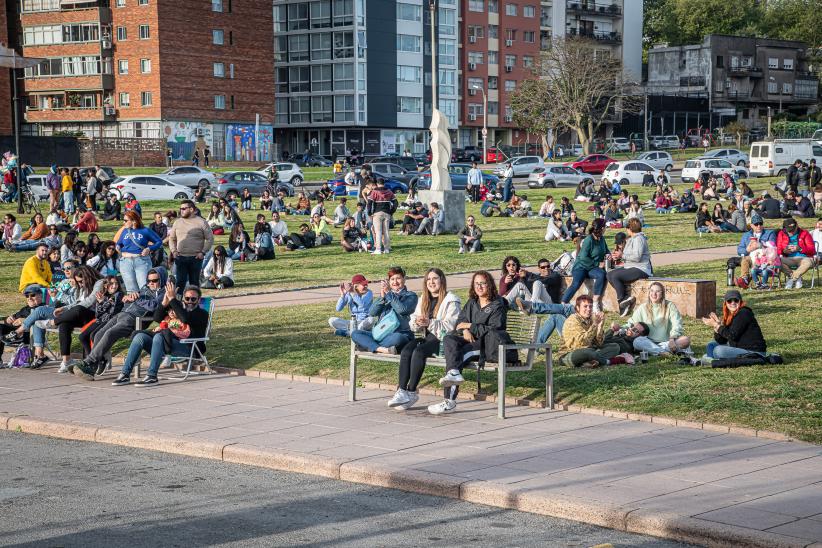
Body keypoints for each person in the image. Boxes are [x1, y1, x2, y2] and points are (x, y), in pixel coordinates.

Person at [429, 270, 508, 415]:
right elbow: (460, 322)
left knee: (456, 358)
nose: (479, 286)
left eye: (482, 283)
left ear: (489, 285)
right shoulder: (472, 302)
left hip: (486, 346)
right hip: (469, 340)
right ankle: (453, 375)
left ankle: (449, 401)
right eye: (476, 283)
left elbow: (493, 329)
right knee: (448, 338)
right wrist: (465, 330)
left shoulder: (498, 305)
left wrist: (469, 326)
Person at [72, 266, 168, 378]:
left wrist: (137, 299)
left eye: (154, 280)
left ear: (161, 279)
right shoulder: (145, 288)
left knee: (110, 333)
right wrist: (128, 298)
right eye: (149, 280)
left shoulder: (163, 292)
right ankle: (92, 367)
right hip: (122, 313)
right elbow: (135, 298)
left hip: (133, 319)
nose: (151, 283)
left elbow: (154, 306)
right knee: (98, 334)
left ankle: (88, 362)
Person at [388, 269, 461, 411]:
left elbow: (450, 327)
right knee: (407, 350)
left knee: (419, 352)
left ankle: (411, 391)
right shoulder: (424, 299)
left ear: (442, 280)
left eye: (435, 279)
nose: (431, 282)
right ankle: (402, 391)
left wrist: (430, 323)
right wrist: (417, 323)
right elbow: (413, 321)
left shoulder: (452, 300)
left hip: (442, 340)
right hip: (426, 337)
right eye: (428, 279)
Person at [110, 282, 209, 386]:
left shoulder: (201, 313)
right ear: (183, 298)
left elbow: (185, 318)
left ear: (198, 300)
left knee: (159, 335)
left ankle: (152, 376)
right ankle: (125, 374)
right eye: (187, 298)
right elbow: (157, 318)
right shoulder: (178, 309)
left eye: (193, 299)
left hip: (189, 347)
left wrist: (172, 299)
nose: (190, 302)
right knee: (140, 336)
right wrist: (164, 303)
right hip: (166, 344)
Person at [351, 266, 418, 354]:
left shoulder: (411, 296)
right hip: (379, 334)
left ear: (404, 279)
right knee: (355, 333)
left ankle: (368, 345)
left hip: (399, 334)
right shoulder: (386, 296)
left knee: (398, 338)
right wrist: (382, 297)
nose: (395, 282)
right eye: (392, 279)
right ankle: (382, 349)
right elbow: (372, 312)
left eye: (398, 278)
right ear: (389, 281)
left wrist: (389, 294)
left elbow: (402, 310)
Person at [556, 295, 624, 368]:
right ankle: (608, 361)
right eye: (585, 306)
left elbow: (598, 343)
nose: (588, 309)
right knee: (589, 352)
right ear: (578, 308)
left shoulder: (590, 319)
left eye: (590, 306)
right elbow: (582, 343)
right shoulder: (573, 320)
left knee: (615, 346)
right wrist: (595, 324)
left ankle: (589, 362)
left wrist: (600, 326)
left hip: (588, 350)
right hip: (569, 354)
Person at [625, 281, 691, 357]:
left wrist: (672, 339)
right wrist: (622, 329)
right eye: (652, 291)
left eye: (657, 291)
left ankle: (658, 351)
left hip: (667, 342)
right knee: (637, 341)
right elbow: (631, 322)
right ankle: (662, 352)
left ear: (662, 293)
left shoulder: (670, 306)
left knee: (685, 340)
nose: (654, 294)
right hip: (648, 342)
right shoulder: (643, 307)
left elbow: (677, 323)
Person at [701, 289, 766, 360]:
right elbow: (722, 341)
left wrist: (716, 325)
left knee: (718, 350)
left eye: (736, 300)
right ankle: (712, 360)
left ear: (740, 302)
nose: (733, 303)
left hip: (753, 351)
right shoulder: (729, 316)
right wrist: (717, 325)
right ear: (725, 303)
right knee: (711, 345)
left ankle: (711, 359)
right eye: (729, 301)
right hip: (738, 347)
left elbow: (732, 336)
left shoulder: (743, 313)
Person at [605, 218, 652, 316]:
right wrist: (618, 256)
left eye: (627, 228)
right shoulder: (631, 239)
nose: (626, 230)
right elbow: (627, 256)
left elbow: (637, 257)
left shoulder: (639, 239)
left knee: (615, 276)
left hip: (641, 268)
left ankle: (623, 302)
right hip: (631, 266)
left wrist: (622, 255)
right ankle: (625, 299)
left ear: (630, 228)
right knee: (609, 274)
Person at [560, 218, 609, 311]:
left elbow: (606, 250)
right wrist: (598, 263)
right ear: (601, 228)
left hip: (592, 268)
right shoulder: (588, 240)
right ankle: (563, 304)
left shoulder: (602, 238)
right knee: (577, 282)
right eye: (605, 227)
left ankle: (595, 302)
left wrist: (609, 255)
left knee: (601, 275)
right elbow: (583, 257)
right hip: (581, 266)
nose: (606, 228)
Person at [169, 199, 213, 294]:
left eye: (184, 208)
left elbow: (210, 239)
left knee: (194, 283)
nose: (181, 210)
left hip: (196, 258)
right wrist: (174, 251)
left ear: (192, 209)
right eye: (180, 208)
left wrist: (203, 252)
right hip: (180, 257)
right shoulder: (177, 222)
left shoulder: (201, 222)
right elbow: (171, 238)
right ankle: (178, 304)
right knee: (180, 283)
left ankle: (195, 304)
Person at [116, 211, 163, 294]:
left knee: (144, 287)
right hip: (125, 262)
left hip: (141, 261)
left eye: (126, 220)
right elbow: (119, 242)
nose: (124, 222)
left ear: (134, 221)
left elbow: (159, 241)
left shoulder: (145, 230)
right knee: (131, 290)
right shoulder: (125, 231)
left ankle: (146, 305)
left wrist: (149, 248)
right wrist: (118, 246)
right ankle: (134, 306)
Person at [0, 285, 42, 367]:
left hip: (27, 335)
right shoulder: (25, 309)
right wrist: (8, 319)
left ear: (40, 296)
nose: (29, 298)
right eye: (27, 296)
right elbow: (11, 319)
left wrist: (24, 321)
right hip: (11, 335)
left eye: (32, 295)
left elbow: (42, 321)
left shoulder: (42, 308)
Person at [734, 213, 776, 288]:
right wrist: (747, 250)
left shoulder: (770, 233)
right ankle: (745, 279)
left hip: (764, 258)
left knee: (755, 263)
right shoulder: (746, 235)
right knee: (745, 259)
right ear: (751, 225)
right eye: (756, 224)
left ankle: (745, 281)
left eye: (760, 224)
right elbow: (739, 250)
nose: (759, 226)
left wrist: (761, 245)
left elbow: (773, 247)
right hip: (752, 257)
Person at [777, 217, 815, 289]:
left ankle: (791, 279)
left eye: (793, 230)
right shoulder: (781, 233)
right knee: (777, 261)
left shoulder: (804, 233)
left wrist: (800, 249)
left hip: (803, 258)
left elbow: (812, 250)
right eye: (789, 230)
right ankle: (797, 278)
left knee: (808, 262)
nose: (791, 232)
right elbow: (778, 249)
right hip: (788, 258)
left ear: (797, 225)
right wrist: (784, 251)